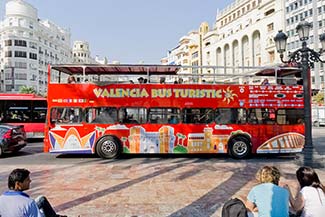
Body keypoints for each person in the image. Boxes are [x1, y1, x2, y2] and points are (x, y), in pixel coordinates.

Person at [0, 168, 67, 217]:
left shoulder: (1, 199)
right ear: (18, 184)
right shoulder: (28, 203)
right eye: (27, 180)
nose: (30, 181)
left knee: (41, 200)